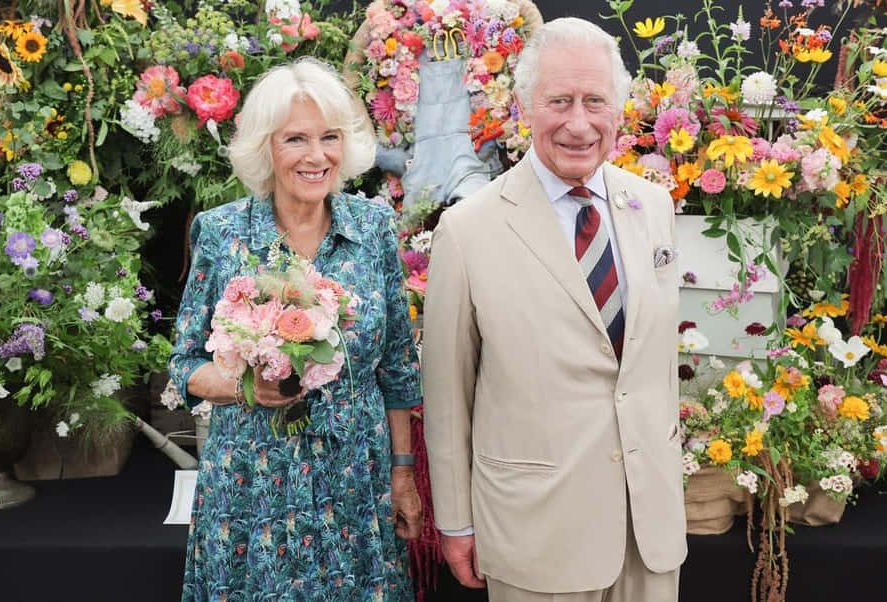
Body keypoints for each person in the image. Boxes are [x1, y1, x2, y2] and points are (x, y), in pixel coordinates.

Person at [422, 17, 686, 602]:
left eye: (595, 101)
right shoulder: (467, 231)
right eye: (558, 101)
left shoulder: (654, 206)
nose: (578, 122)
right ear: (524, 107)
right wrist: (457, 521)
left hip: (650, 529)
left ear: (619, 108)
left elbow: (651, 362)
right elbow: (446, 395)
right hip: (534, 533)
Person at [169, 57, 423, 601]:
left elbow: (398, 365)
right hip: (253, 491)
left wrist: (403, 474)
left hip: (358, 484)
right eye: (296, 140)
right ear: (266, 148)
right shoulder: (222, 234)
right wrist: (244, 386)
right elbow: (185, 363)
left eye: (330, 137)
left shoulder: (374, 228)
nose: (317, 156)